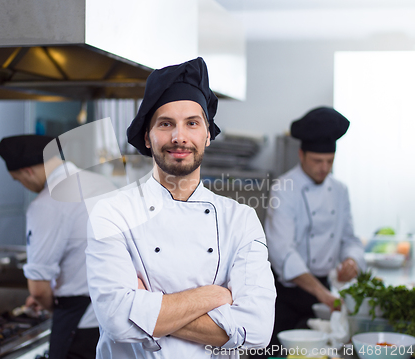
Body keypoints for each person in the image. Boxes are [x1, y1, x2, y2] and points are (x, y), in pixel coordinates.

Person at [85, 57, 276, 359]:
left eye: (192, 123)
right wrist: (213, 296)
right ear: (147, 137)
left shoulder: (240, 220)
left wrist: (146, 305)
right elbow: (116, 319)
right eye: (165, 124)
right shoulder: (112, 213)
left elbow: (258, 330)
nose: (179, 137)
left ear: (208, 135)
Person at [0, 135, 114, 359]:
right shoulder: (102, 184)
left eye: (17, 179)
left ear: (28, 171)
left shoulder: (47, 204)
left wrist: (50, 302)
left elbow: (38, 290)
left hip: (80, 326)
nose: (23, 185)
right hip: (118, 318)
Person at [264, 107, 366, 353]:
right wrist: (321, 293)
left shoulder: (340, 191)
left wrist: (352, 260)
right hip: (287, 294)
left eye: (329, 162)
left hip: (324, 294)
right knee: (276, 352)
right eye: (317, 161)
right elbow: (281, 252)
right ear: (301, 154)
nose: (324, 168)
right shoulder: (284, 189)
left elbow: (349, 238)